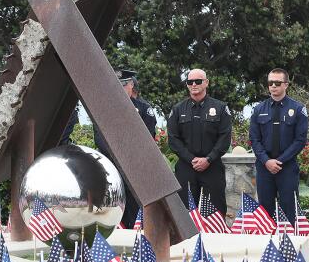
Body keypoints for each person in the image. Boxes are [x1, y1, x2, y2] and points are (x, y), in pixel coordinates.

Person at [93, 69, 158, 227]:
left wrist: (128, 156)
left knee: (134, 207)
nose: (120, 88)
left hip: (134, 166)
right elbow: (99, 137)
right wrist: (116, 155)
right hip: (112, 165)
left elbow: (147, 138)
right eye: (117, 84)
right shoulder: (104, 108)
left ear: (131, 86)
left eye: (123, 84)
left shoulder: (143, 109)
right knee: (111, 202)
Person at [167, 68, 232, 215]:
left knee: (215, 213)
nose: (194, 84)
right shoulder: (178, 109)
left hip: (212, 167)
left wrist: (208, 159)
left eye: (198, 81)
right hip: (186, 167)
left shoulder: (220, 108)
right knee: (185, 213)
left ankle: (214, 238)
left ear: (206, 83)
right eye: (190, 82)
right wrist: (192, 160)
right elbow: (173, 139)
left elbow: (224, 138)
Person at [248, 68, 308, 224]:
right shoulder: (258, 109)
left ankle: (289, 246)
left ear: (286, 85)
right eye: (270, 83)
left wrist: (280, 161)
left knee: (290, 210)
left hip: (287, 167)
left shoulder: (298, 109)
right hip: (264, 167)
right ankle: (268, 246)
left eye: (277, 83)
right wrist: (267, 161)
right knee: (265, 213)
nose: (273, 86)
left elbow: (300, 140)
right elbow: (254, 139)